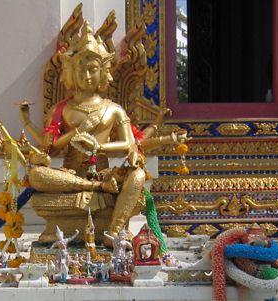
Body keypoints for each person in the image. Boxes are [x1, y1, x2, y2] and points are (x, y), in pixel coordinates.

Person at [19, 21, 188, 241]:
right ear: (70, 71)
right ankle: (96, 187)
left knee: (137, 175)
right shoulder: (61, 110)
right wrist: (69, 132)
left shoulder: (113, 109)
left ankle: (114, 231)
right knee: (36, 175)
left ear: (103, 72)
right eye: (81, 70)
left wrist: (98, 146)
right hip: (70, 174)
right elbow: (50, 146)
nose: (87, 76)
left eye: (93, 69)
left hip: (104, 171)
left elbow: (128, 145)